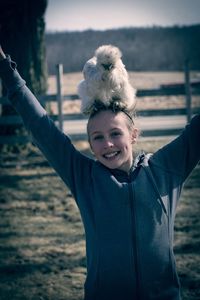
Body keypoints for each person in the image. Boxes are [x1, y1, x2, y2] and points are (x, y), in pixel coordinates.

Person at [0, 45, 199, 300]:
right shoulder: (84, 178)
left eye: (116, 133)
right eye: (98, 137)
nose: (108, 144)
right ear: (91, 145)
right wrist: (6, 69)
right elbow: (40, 125)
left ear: (133, 134)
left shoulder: (165, 169)